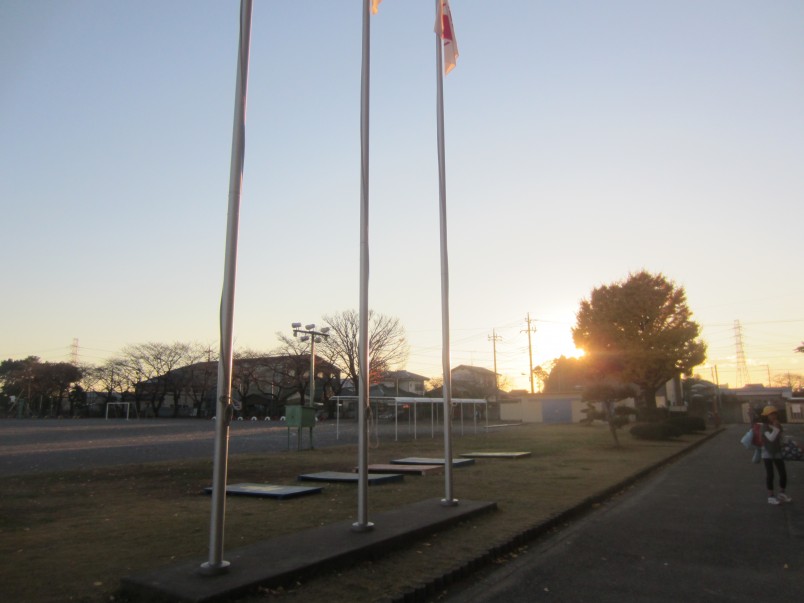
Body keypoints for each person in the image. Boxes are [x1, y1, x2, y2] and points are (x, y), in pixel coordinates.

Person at [760, 405, 793, 505]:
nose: (773, 416)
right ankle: (771, 496)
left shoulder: (778, 425)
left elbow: (782, 438)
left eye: (774, 414)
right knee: (770, 475)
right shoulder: (764, 426)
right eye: (771, 415)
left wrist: (793, 445)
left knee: (783, 473)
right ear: (766, 416)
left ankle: (782, 494)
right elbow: (770, 438)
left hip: (778, 451)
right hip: (767, 453)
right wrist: (776, 428)